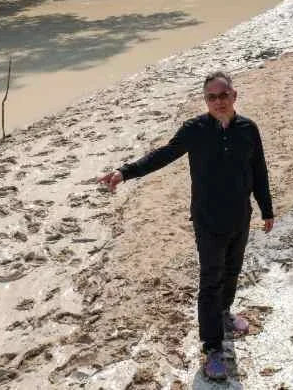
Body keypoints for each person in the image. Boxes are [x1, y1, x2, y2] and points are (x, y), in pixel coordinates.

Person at [98, 71, 275, 381]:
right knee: (210, 281)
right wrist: (124, 172)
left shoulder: (249, 129)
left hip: (240, 216)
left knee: (232, 271)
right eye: (212, 97)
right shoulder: (195, 130)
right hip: (207, 220)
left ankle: (224, 314)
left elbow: (258, 170)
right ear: (205, 101)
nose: (219, 101)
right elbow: (163, 155)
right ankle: (212, 348)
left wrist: (266, 208)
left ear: (234, 95)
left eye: (224, 95)